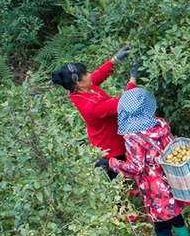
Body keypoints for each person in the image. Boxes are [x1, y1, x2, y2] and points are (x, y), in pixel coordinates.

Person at [98, 87, 190, 236]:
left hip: (155, 189)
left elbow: (136, 168)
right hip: (171, 178)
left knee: (161, 228)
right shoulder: (159, 124)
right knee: (175, 214)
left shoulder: (133, 138)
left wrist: (111, 162)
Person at [51, 46, 139, 180]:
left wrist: (114, 60)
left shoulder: (78, 90)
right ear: (78, 83)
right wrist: (133, 79)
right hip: (110, 147)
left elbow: (97, 75)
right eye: (86, 74)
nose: (89, 75)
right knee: (118, 180)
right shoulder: (92, 106)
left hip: (104, 136)